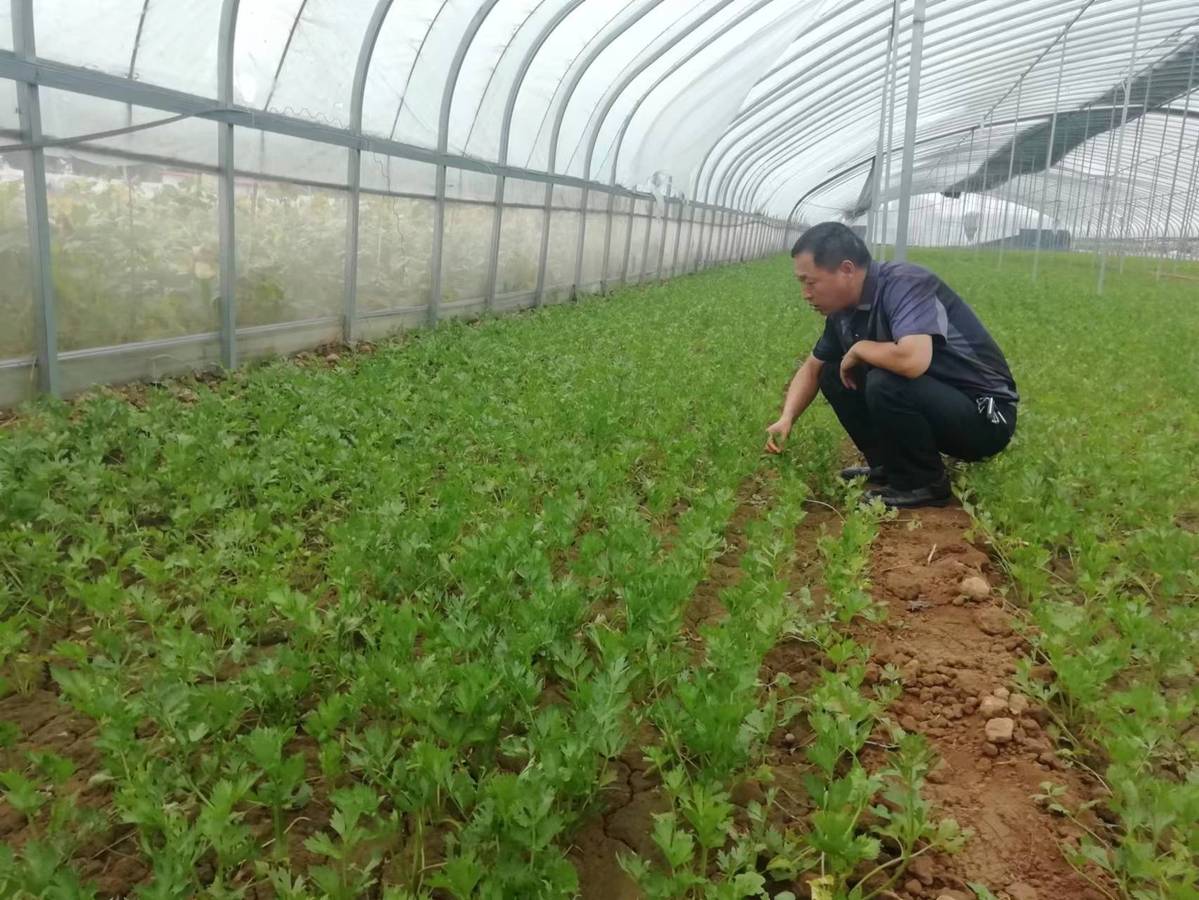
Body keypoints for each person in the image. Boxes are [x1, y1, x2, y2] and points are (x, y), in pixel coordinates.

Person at [764, 222, 1018, 508]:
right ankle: (889, 466)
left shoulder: (905, 283)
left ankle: (924, 483)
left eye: (810, 282)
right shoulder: (843, 312)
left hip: (985, 418)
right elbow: (812, 368)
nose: (806, 294)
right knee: (833, 372)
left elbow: (912, 360)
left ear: (847, 269)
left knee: (887, 381)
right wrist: (787, 418)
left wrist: (861, 348)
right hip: (938, 404)